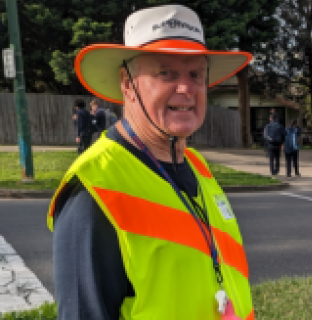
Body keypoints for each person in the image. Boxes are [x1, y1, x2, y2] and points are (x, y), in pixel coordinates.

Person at [47, 5, 254, 320]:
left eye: (195, 74)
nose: (185, 88)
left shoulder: (197, 166)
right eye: (165, 73)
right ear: (127, 84)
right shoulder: (93, 189)